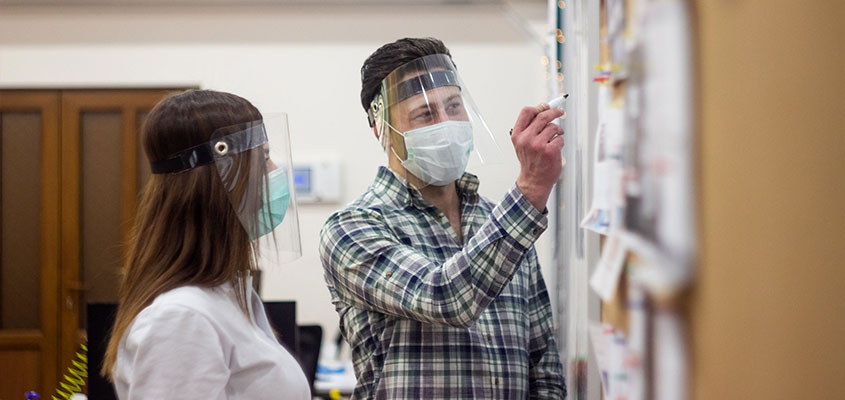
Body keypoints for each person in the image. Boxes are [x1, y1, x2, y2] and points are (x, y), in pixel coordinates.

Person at [319, 38, 566, 399]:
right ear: (381, 127)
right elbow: (444, 297)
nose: (447, 122)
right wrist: (530, 189)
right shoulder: (353, 229)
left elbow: (542, 359)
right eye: (425, 113)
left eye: (454, 106)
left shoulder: (500, 221)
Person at [101, 90, 310, 400]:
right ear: (218, 179)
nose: (275, 172)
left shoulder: (227, 296)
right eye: (264, 159)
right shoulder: (181, 317)